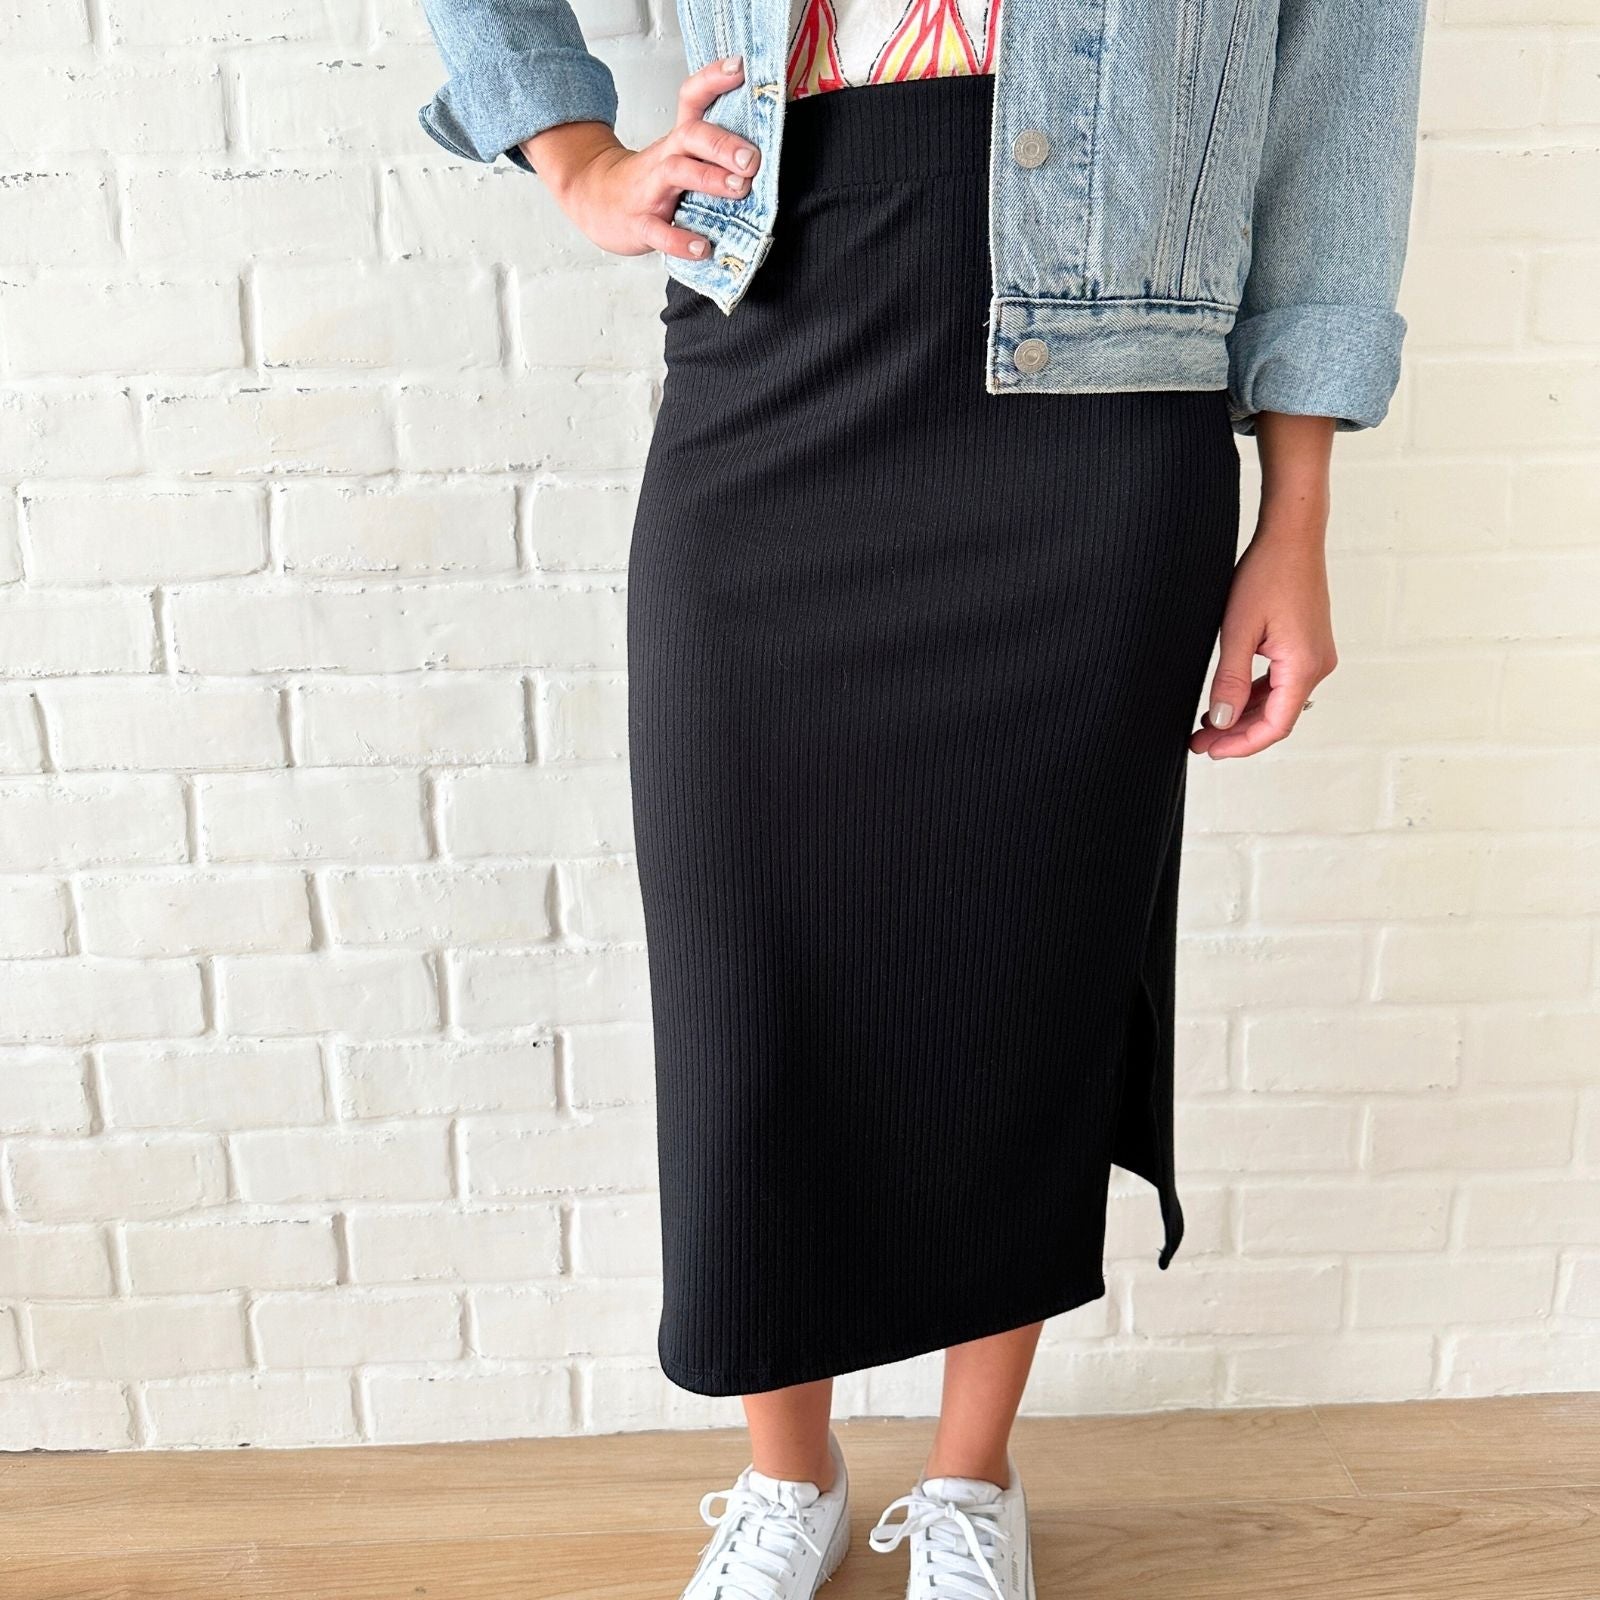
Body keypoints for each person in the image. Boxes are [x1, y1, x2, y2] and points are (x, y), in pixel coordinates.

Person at [415, 1, 1426, 1595]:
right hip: (775, 323)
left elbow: (1341, 88)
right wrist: (571, 154)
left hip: (1101, 413)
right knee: (753, 967)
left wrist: (1297, 505)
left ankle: (969, 1486)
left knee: (1014, 974)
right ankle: (785, 1481)